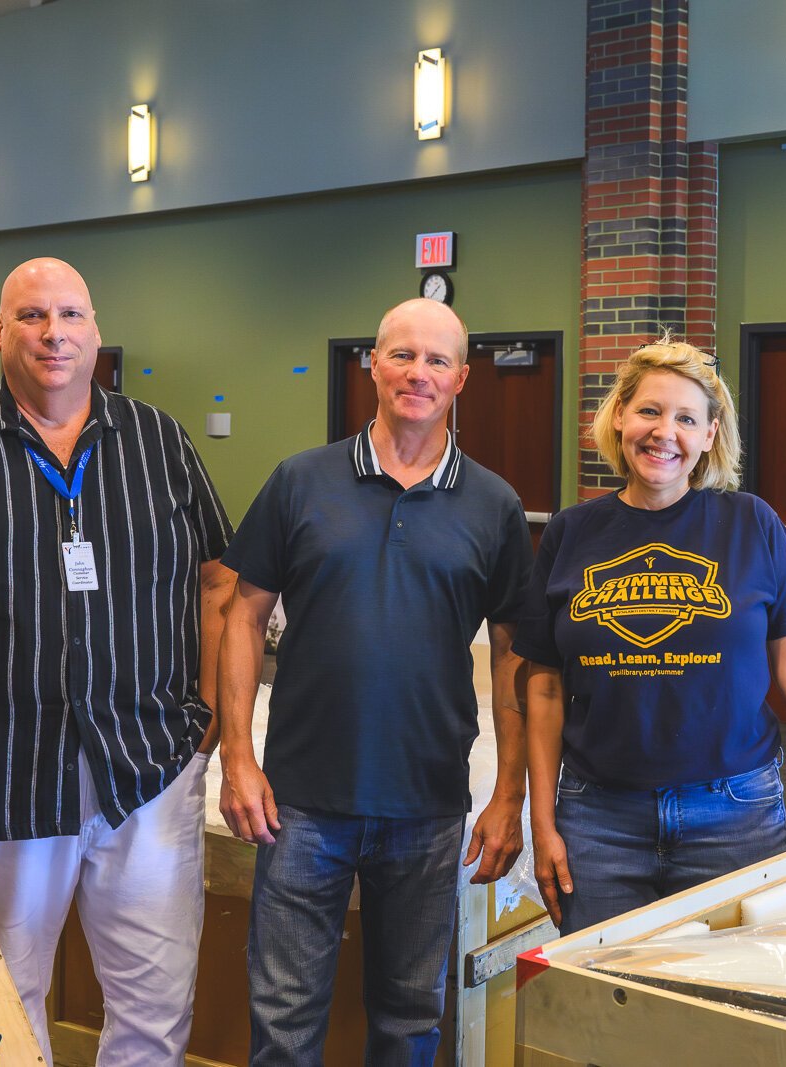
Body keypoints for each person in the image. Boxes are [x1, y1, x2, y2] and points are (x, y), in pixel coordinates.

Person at [0, 257, 234, 1065]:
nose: (53, 333)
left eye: (70, 315)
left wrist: (208, 718)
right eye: (31, 316)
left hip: (148, 767)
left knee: (154, 1002)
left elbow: (221, 580)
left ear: (96, 333)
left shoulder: (160, 441)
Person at [216, 297, 532, 1066]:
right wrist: (237, 756)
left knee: (409, 1021)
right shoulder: (301, 481)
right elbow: (241, 616)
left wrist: (509, 795)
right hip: (299, 805)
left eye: (435, 361)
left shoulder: (494, 505)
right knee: (284, 1025)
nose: (416, 373)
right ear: (372, 365)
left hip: (426, 806)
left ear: (461, 377)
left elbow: (517, 655)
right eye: (401, 355)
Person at [515, 335, 786, 935]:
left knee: (726, 999)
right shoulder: (573, 532)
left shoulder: (751, 522)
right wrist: (541, 823)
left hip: (735, 813)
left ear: (709, 435)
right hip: (599, 818)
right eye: (649, 411)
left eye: (685, 418)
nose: (663, 432)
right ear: (619, 417)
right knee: (601, 1000)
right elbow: (543, 686)